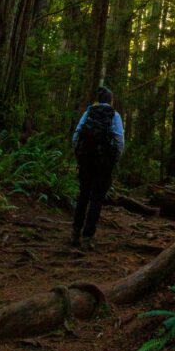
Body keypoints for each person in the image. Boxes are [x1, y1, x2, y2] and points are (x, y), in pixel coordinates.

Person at [71, 84, 124, 250]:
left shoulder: (89, 112)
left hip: (86, 159)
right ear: (111, 100)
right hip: (103, 162)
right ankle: (87, 237)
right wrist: (114, 160)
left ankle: (75, 231)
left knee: (83, 194)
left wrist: (78, 155)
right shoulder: (114, 115)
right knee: (97, 198)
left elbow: (77, 134)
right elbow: (119, 140)